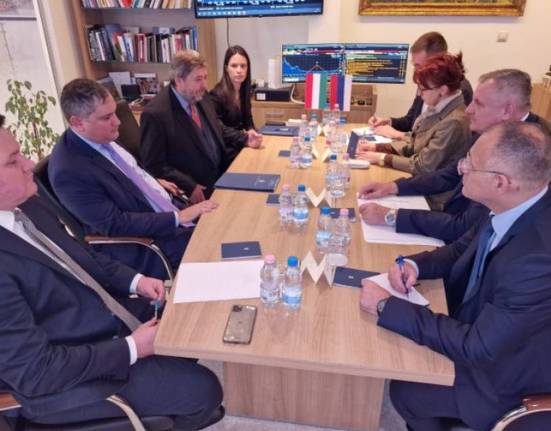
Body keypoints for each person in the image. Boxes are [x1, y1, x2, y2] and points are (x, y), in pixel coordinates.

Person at [0, 114, 224, 429]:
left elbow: (84, 257)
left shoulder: (28, 205)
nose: (29, 164)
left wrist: (137, 281)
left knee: (193, 322)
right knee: (205, 390)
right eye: (13, 161)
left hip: (97, 317)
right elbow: (36, 372)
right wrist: (131, 348)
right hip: (65, 380)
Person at [360, 121, 551, 431]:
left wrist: (386, 306)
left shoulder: (537, 259)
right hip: (493, 329)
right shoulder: (514, 203)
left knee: (408, 391)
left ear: (500, 182)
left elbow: (477, 347)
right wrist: (415, 265)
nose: (461, 168)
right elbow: (462, 248)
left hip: (510, 377)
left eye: (470, 164)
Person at [49, 79, 218, 280]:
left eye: (114, 113)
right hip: (147, 242)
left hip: (166, 208)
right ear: (77, 122)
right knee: (218, 248)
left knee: (225, 220)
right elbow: (115, 223)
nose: (117, 121)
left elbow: (131, 171)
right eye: (107, 117)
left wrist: (154, 183)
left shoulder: (100, 137)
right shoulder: (69, 171)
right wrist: (177, 218)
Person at [359, 69, 551, 242]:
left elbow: (462, 226)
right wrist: (393, 186)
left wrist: (391, 216)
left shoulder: (530, 151)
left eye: (478, 103)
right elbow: (450, 173)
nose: (468, 110)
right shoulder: (491, 129)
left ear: (507, 110)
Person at [140, 49, 262, 204]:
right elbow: (153, 165)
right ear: (179, 80)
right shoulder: (155, 114)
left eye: (205, 77)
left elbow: (217, 127)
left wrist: (244, 138)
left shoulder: (199, 95)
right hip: (197, 187)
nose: (204, 85)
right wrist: (189, 186)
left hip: (222, 172)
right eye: (198, 79)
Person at [357, 53, 471, 178]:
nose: (420, 94)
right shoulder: (441, 108)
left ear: (442, 90)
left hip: (432, 187)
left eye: (423, 89)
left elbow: (423, 166)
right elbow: (414, 145)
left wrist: (382, 158)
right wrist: (377, 148)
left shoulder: (453, 121)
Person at [368, 31, 473, 139]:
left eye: (419, 66)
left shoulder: (458, 90)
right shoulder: (426, 82)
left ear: (438, 61)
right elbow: (411, 121)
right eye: (414, 65)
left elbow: (435, 138)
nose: (416, 71)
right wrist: (389, 122)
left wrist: (399, 135)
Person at [209, 45, 262, 147]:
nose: (239, 70)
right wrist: (245, 138)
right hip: (226, 148)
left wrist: (251, 130)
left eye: (243, 66)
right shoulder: (216, 95)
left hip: (240, 143)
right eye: (234, 66)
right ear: (226, 68)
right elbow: (220, 130)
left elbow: (248, 119)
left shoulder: (244, 90)